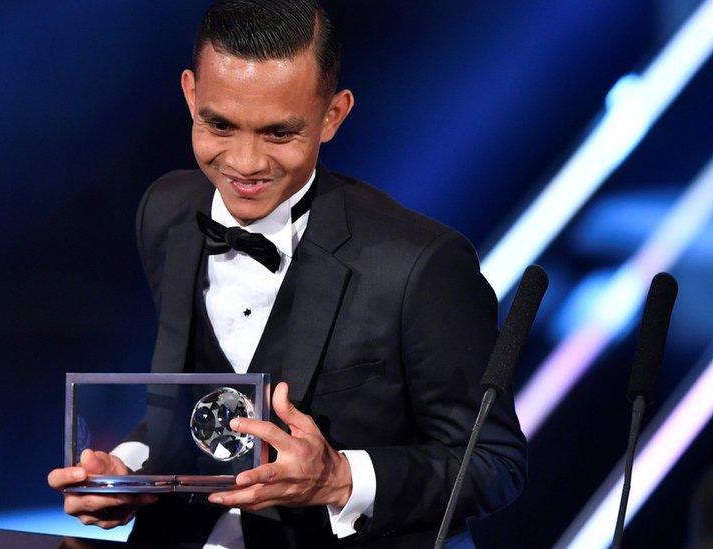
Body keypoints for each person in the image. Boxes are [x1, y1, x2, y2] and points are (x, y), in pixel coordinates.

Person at [48, 1, 527, 547]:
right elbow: (195, 400)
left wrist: (338, 478)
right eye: (220, 124)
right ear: (189, 95)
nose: (245, 162)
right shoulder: (166, 212)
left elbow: (494, 464)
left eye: (278, 133)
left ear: (333, 115)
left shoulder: (422, 263)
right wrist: (129, 471)